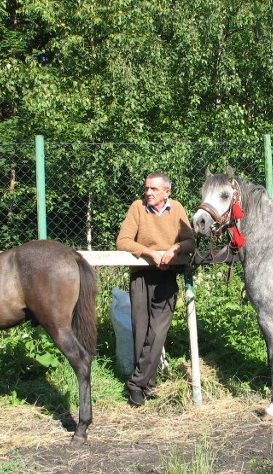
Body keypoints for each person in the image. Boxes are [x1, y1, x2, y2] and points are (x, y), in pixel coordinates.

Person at [116, 172, 196, 406]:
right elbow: (123, 241)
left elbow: (191, 241)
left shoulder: (178, 209)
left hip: (167, 277)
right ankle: (146, 385)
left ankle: (135, 384)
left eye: (154, 189)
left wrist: (175, 248)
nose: (148, 193)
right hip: (141, 275)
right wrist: (149, 253)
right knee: (141, 331)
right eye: (147, 188)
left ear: (167, 192)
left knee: (158, 332)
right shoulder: (137, 208)